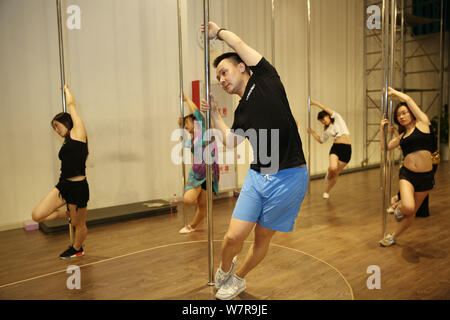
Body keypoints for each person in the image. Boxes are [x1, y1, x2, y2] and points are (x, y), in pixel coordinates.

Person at [200, 22, 309, 300]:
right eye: (218, 77)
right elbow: (230, 140)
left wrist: (218, 32)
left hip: (289, 177)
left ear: (242, 67)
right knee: (233, 237)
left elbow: (238, 43)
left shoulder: (266, 77)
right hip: (259, 175)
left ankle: (238, 279)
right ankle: (225, 269)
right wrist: (214, 115)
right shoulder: (243, 111)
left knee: (262, 238)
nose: (221, 79)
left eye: (224, 72)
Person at [32, 85, 89, 259]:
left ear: (66, 122)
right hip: (64, 185)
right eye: (54, 128)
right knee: (37, 215)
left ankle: (77, 248)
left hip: (78, 188)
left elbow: (72, 105)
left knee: (79, 224)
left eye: (57, 126)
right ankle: (68, 214)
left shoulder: (78, 134)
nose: (56, 130)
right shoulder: (65, 142)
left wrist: (66, 90)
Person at [379, 87, 435, 247]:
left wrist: (394, 93)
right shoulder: (402, 137)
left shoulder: (423, 124)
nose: (401, 116)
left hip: (426, 178)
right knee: (408, 207)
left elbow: (409, 100)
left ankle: (393, 236)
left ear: (411, 113)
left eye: (404, 113)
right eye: (398, 115)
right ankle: (399, 207)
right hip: (408, 175)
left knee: (411, 213)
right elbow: (386, 147)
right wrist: (382, 130)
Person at [178, 93, 220, 234]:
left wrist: (187, 99)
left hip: (209, 173)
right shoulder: (191, 140)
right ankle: (196, 192)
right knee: (188, 200)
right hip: (196, 175)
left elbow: (196, 111)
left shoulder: (204, 131)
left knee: (203, 206)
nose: (186, 126)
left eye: (187, 123)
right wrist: (180, 127)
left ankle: (192, 226)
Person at [307, 100, 352, 199]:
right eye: (322, 121)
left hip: (347, 149)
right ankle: (329, 172)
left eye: (324, 118)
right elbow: (321, 140)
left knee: (336, 173)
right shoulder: (327, 131)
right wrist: (312, 132)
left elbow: (325, 108)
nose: (324, 121)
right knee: (333, 168)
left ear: (328, 116)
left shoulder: (337, 119)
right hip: (336, 148)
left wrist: (314, 103)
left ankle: (327, 191)